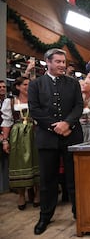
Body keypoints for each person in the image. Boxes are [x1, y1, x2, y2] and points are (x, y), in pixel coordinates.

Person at [28, 48, 83, 235]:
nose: (62, 65)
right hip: (47, 138)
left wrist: (67, 123)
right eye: (58, 61)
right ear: (48, 63)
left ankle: (80, 214)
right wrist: (54, 126)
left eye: (63, 61)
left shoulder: (73, 83)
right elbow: (34, 110)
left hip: (71, 136)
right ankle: (45, 216)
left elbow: (78, 106)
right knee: (47, 180)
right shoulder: (35, 85)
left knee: (74, 179)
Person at [1, 77, 40, 210]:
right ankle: (21, 195)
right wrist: (5, 140)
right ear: (17, 86)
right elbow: (7, 122)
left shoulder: (36, 100)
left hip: (34, 133)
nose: (28, 87)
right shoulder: (10, 102)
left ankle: (38, 193)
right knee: (18, 163)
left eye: (29, 84)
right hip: (17, 135)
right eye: (25, 84)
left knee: (37, 162)